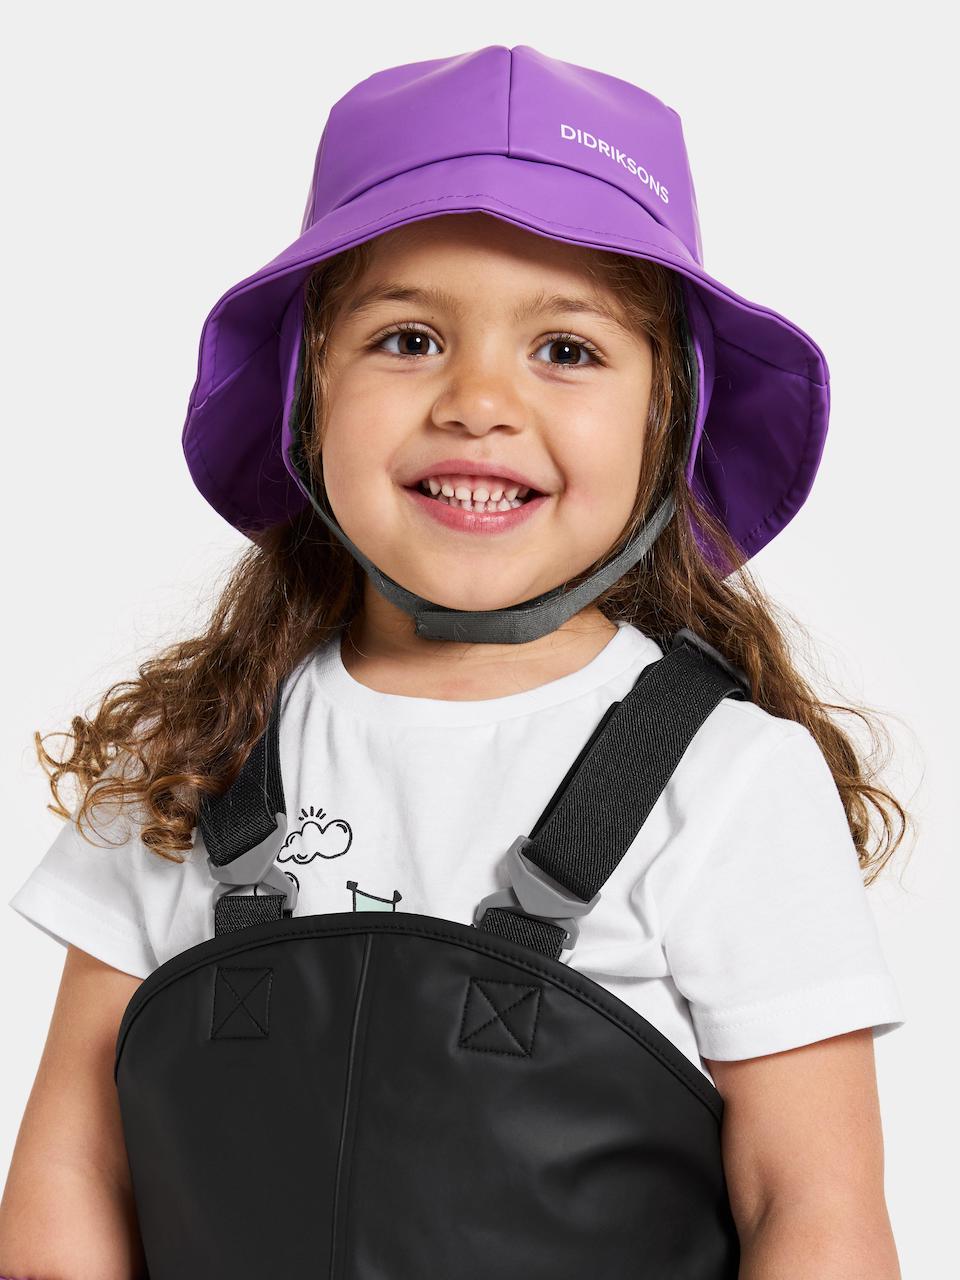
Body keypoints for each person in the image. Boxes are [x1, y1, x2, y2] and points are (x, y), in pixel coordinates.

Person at [0, 43, 909, 1279]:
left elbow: (815, 1212)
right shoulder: (198, 752)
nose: (478, 400)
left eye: (567, 349)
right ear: (307, 391)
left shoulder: (732, 782)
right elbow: (71, 1169)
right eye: (410, 337)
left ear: (668, 417)